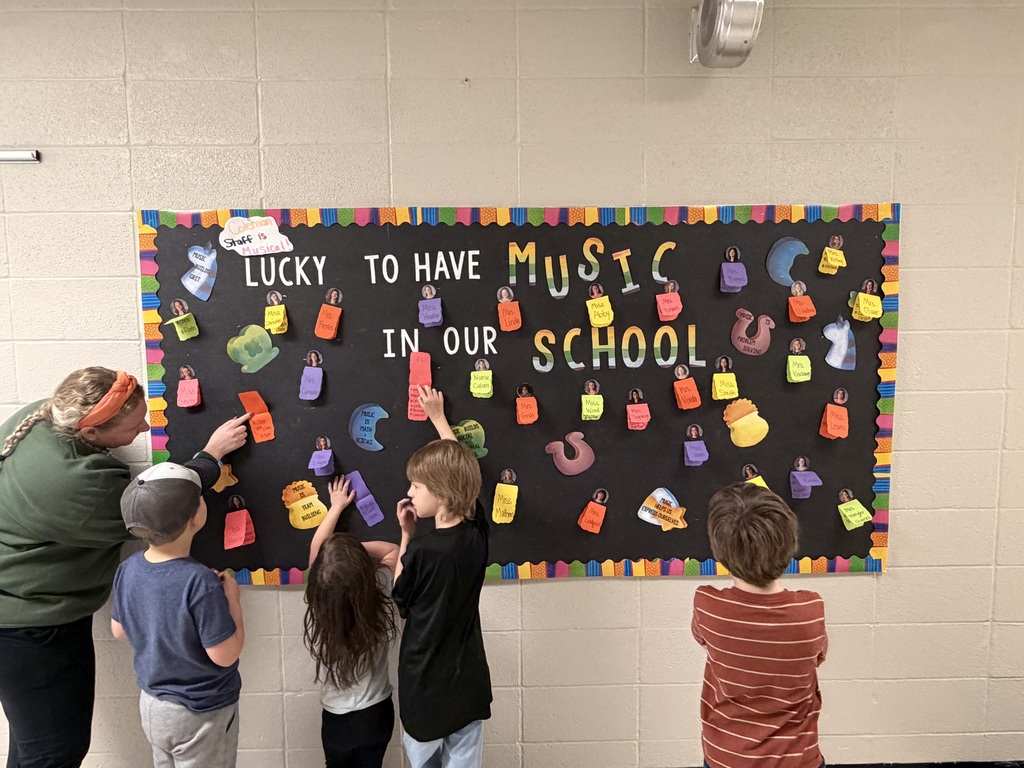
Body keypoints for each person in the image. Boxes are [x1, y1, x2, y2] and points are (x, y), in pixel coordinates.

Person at [0, 367, 250, 768]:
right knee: (53, 752)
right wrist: (209, 458)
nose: (146, 428)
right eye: (135, 425)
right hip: (31, 627)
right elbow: (160, 505)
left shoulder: (42, 416)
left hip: (146, 702)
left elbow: (120, 629)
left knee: (35, 746)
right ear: (90, 432)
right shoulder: (78, 487)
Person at [111, 462, 246, 768]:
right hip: (200, 710)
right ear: (195, 517)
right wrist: (233, 601)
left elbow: (119, 631)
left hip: (153, 706)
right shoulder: (200, 581)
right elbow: (225, 655)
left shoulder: (128, 569)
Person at [693, 483, 827, 768]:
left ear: (720, 552)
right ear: (789, 546)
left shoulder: (708, 605)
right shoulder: (810, 610)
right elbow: (817, 657)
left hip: (727, 757)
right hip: (797, 759)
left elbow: (703, 638)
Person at [393, 387, 492, 768]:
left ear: (442, 492)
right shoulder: (477, 534)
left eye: (416, 486)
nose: (410, 492)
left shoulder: (422, 550)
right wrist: (438, 419)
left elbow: (400, 597)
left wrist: (406, 535)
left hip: (424, 686)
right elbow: (464, 474)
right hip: (467, 682)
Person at [305, 476, 400, 768]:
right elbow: (392, 551)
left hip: (336, 717)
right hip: (376, 712)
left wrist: (335, 507)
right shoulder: (379, 591)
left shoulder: (320, 599)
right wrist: (354, 553)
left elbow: (317, 551)